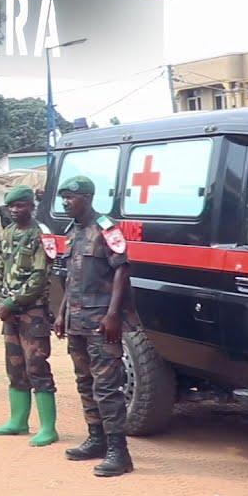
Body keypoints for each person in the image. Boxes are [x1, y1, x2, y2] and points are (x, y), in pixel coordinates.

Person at [54, 176, 138, 477]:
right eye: (63, 197)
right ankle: (97, 439)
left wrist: (113, 314)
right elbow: (72, 278)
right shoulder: (72, 231)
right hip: (77, 321)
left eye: (71, 198)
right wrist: (62, 312)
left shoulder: (107, 228)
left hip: (101, 322)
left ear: (87, 198)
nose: (65, 202)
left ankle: (119, 452)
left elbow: (122, 270)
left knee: (107, 387)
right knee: (85, 383)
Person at [0, 186, 58, 446]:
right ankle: (18, 421)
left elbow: (40, 277)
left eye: (21, 205)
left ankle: (49, 428)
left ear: (31, 205)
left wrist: (12, 302)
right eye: (12, 207)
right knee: (15, 366)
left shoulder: (42, 235)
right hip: (9, 313)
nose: (16, 210)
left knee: (37, 366)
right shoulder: (7, 233)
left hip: (33, 312)